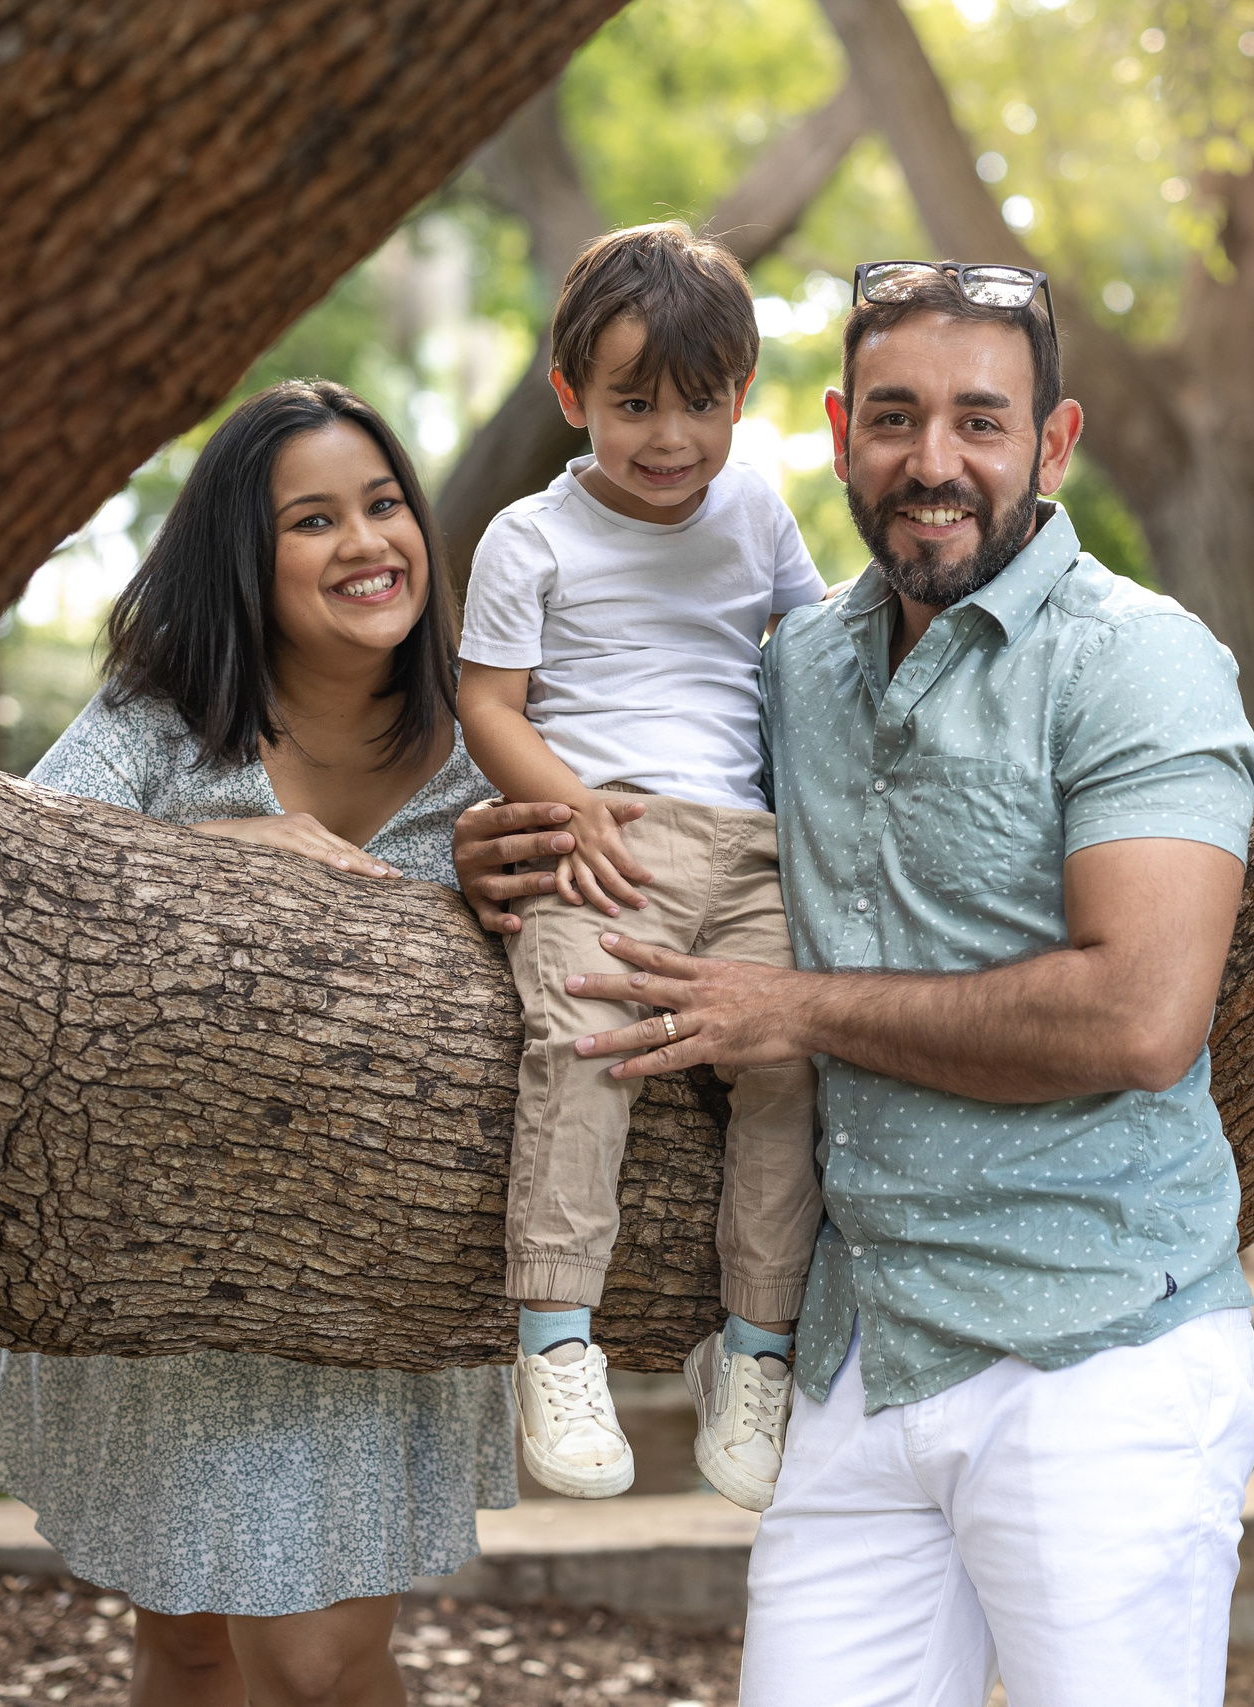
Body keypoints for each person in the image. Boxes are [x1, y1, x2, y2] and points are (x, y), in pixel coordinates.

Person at [458, 260, 1254, 1706]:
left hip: (1092, 1361)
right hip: (854, 1358)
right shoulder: (801, 668)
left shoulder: (1139, 661)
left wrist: (796, 1013)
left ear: (1054, 443)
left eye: (980, 421)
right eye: (894, 418)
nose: (932, 460)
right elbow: (641, 758)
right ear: (839, 435)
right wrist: (499, 836)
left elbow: (1142, 1020)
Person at [0, 380, 517, 1707]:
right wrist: (227, 854)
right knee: (190, 1639)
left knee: (320, 1662)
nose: (367, 544)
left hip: (371, 1273)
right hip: (159, 1256)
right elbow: (7, 881)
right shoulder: (163, 721)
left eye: (384, 505)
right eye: (313, 521)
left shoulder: (491, 746)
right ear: (243, 556)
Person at [454, 222, 827, 1511]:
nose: (671, 438)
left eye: (701, 404)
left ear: (743, 395)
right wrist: (572, 808)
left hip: (752, 849)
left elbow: (817, 657)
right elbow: (488, 704)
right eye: (634, 406)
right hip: (602, 837)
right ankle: (557, 1338)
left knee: (789, 1060)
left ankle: (757, 1350)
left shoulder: (756, 513)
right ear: (573, 397)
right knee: (583, 1043)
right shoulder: (529, 538)